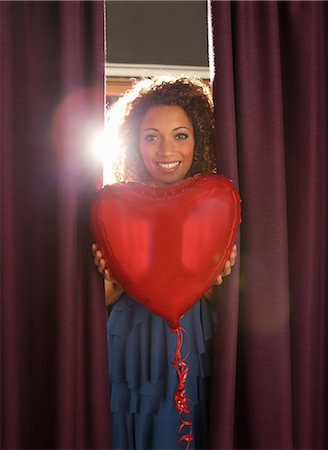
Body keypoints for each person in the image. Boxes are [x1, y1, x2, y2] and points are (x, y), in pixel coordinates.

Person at [92, 76, 237, 450]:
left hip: (194, 338)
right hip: (131, 344)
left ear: (199, 138)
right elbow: (104, 301)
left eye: (181, 135)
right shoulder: (114, 208)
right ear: (133, 142)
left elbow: (230, 306)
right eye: (152, 136)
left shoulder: (216, 205)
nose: (166, 149)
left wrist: (215, 278)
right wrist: (115, 279)